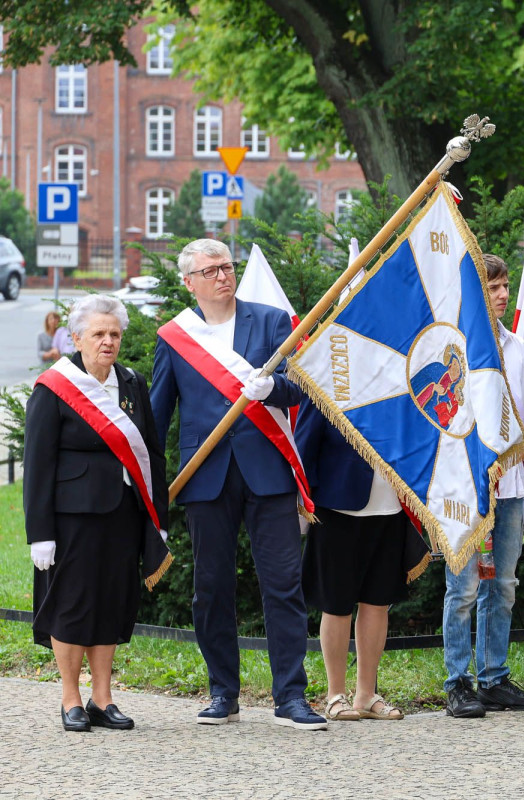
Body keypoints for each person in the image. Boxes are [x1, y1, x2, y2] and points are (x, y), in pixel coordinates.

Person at [151, 238, 326, 730]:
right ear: (190, 282)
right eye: (210, 271)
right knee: (211, 587)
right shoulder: (175, 337)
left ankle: (291, 696)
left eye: (227, 267)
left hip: (267, 471)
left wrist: (273, 388)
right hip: (205, 477)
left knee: (283, 585)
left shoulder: (270, 321)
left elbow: (301, 387)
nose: (223, 276)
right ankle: (222, 692)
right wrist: (146, 482)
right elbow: (158, 415)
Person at [25, 295, 170, 731]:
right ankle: (70, 697)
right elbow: (37, 463)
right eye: (99, 334)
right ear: (77, 338)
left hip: (123, 513)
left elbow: (152, 455)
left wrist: (156, 521)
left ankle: (102, 698)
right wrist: (40, 533)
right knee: (72, 603)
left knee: (112, 600)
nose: (108, 342)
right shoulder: (55, 386)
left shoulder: (132, 383)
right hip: (72, 517)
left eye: (115, 334)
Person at [441, 254, 524, 717]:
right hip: (468, 488)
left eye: (505, 286)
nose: (503, 294)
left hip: (510, 489)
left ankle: (494, 676)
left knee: (501, 584)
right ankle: (457, 680)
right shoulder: (454, 346)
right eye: (493, 286)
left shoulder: (518, 347)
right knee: (463, 588)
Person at [294, 402, 430, 722]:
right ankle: (335, 694)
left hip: (390, 506)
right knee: (337, 603)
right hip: (337, 504)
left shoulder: (394, 381)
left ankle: (366, 695)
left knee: (377, 602)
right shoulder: (325, 380)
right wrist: (305, 502)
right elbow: (304, 447)